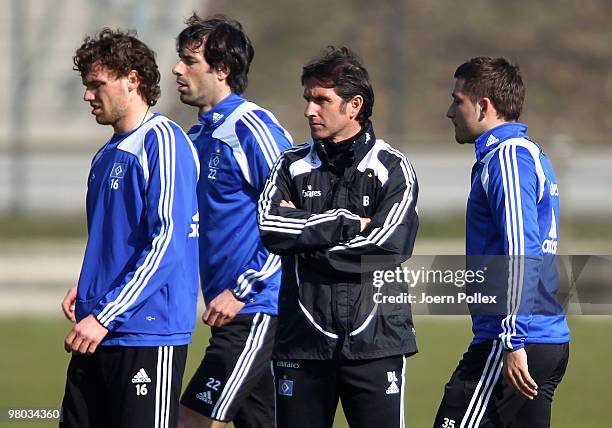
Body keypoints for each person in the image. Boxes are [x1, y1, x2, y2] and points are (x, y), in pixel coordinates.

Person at [257, 46, 419, 428]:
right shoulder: (289, 164)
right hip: (302, 342)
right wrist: (348, 222)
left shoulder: (393, 167)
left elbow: (387, 248)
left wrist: (306, 244)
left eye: (321, 100)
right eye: (307, 99)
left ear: (354, 105)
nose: (309, 110)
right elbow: (269, 227)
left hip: (377, 342)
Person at [60, 28, 200, 428]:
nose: (88, 95)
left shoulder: (163, 142)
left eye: (97, 85)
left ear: (132, 80)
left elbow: (167, 243)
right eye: (86, 85)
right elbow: (114, 243)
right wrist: (89, 288)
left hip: (145, 333)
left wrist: (106, 314)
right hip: (97, 328)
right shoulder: (106, 155)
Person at [434, 57, 570, 428]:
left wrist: (512, 340)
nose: (449, 112)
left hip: (514, 340)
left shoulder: (508, 157)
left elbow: (521, 251)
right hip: (541, 338)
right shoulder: (524, 153)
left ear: (484, 106)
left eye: (457, 100)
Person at [172, 14, 293, 428]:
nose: (177, 69)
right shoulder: (197, 136)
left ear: (222, 70)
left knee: (191, 418)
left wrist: (243, 290)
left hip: (258, 309)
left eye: (190, 61)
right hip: (229, 313)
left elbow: (294, 225)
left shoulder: (252, 127)